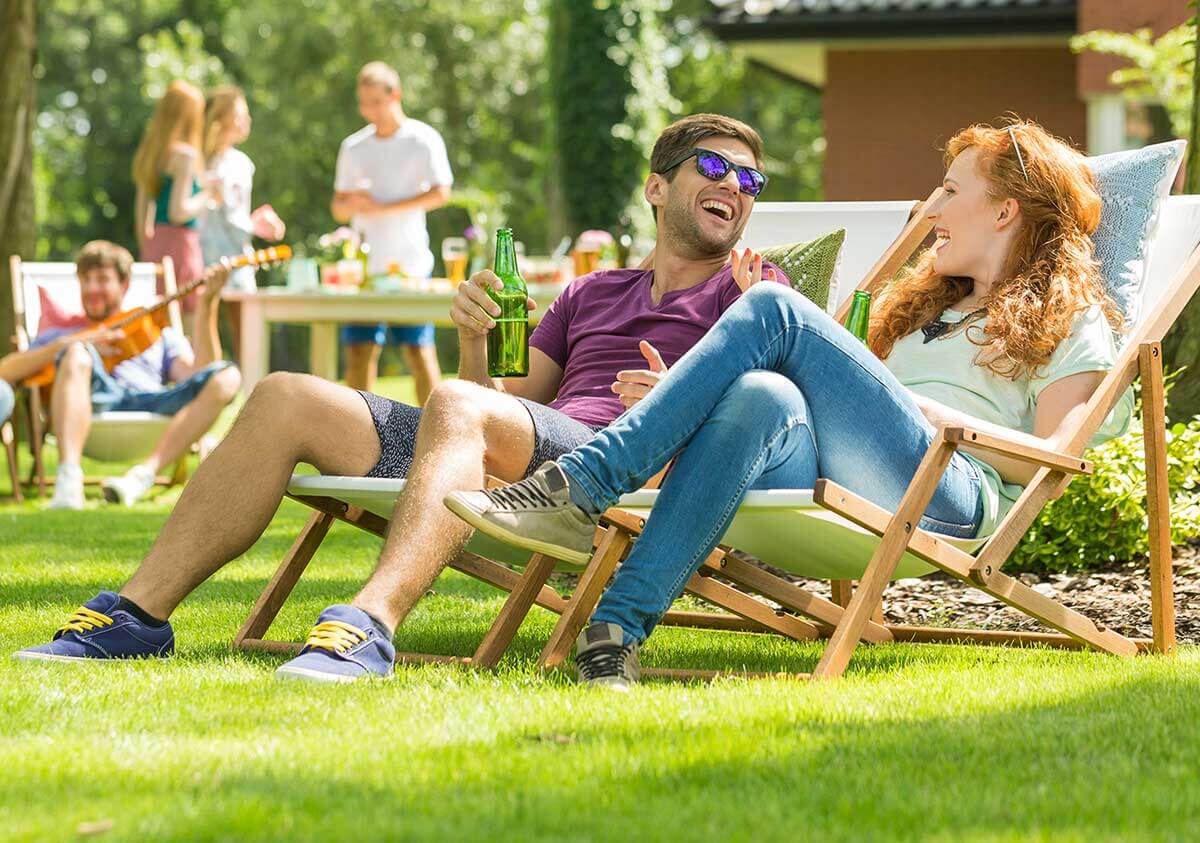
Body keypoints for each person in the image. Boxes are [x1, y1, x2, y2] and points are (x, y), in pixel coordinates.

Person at [13, 114, 783, 681]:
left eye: (750, 181)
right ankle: (136, 616)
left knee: (456, 404)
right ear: (657, 185)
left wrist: (683, 399)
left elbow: (770, 415)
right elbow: (494, 407)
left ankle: (369, 624)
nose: (735, 188)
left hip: (619, 475)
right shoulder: (590, 291)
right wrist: (475, 338)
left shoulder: (753, 294)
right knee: (284, 393)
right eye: (716, 168)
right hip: (531, 457)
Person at [448, 119, 1134, 690]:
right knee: (760, 392)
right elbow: (827, 403)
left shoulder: (1071, 321)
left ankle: (585, 484)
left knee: (776, 307)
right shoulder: (924, 304)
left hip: (946, 491)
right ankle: (617, 631)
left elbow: (1050, 459)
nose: (931, 211)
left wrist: (920, 413)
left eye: (951, 192)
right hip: (846, 469)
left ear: (1005, 209)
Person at [0, 241, 242, 510]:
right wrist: (76, 341)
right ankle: (69, 483)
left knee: (227, 376)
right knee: (76, 353)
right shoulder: (60, 336)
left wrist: (207, 303)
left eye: (102, 279)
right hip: (93, 402)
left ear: (124, 285)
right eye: (85, 280)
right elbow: (5, 372)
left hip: (150, 402)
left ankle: (141, 477)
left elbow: (199, 374)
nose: (92, 288)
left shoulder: (154, 331)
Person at [332, 61, 452, 400]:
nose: (369, 110)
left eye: (376, 102)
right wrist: (356, 202)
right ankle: (355, 440)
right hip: (363, 268)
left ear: (395, 95)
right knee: (359, 351)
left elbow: (442, 192)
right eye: (363, 102)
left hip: (410, 264)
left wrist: (385, 207)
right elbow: (338, 208)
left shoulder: (423, 139)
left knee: (418, 351)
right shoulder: (354, 146)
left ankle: (434, 431)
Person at [199, 84, 286, 360]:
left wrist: (254, 223)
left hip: (234, 255)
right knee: (207, 323)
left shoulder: (240, 163)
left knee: (243, 330)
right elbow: (228, 215)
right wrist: (254, 225)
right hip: (206, 255)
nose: (246, 121)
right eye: (239, 114)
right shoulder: (198, 160)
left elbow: (233, 213)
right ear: (220, 119)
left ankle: (250, 392)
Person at [134, 80, 215, 319]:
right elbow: (179, 211)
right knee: (188, 325)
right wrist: (208, 194)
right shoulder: (185, 155)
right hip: (181, 246)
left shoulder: (150, 154)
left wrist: (150, 250)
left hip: (154, 245)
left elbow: (141, 220)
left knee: (158, 324)